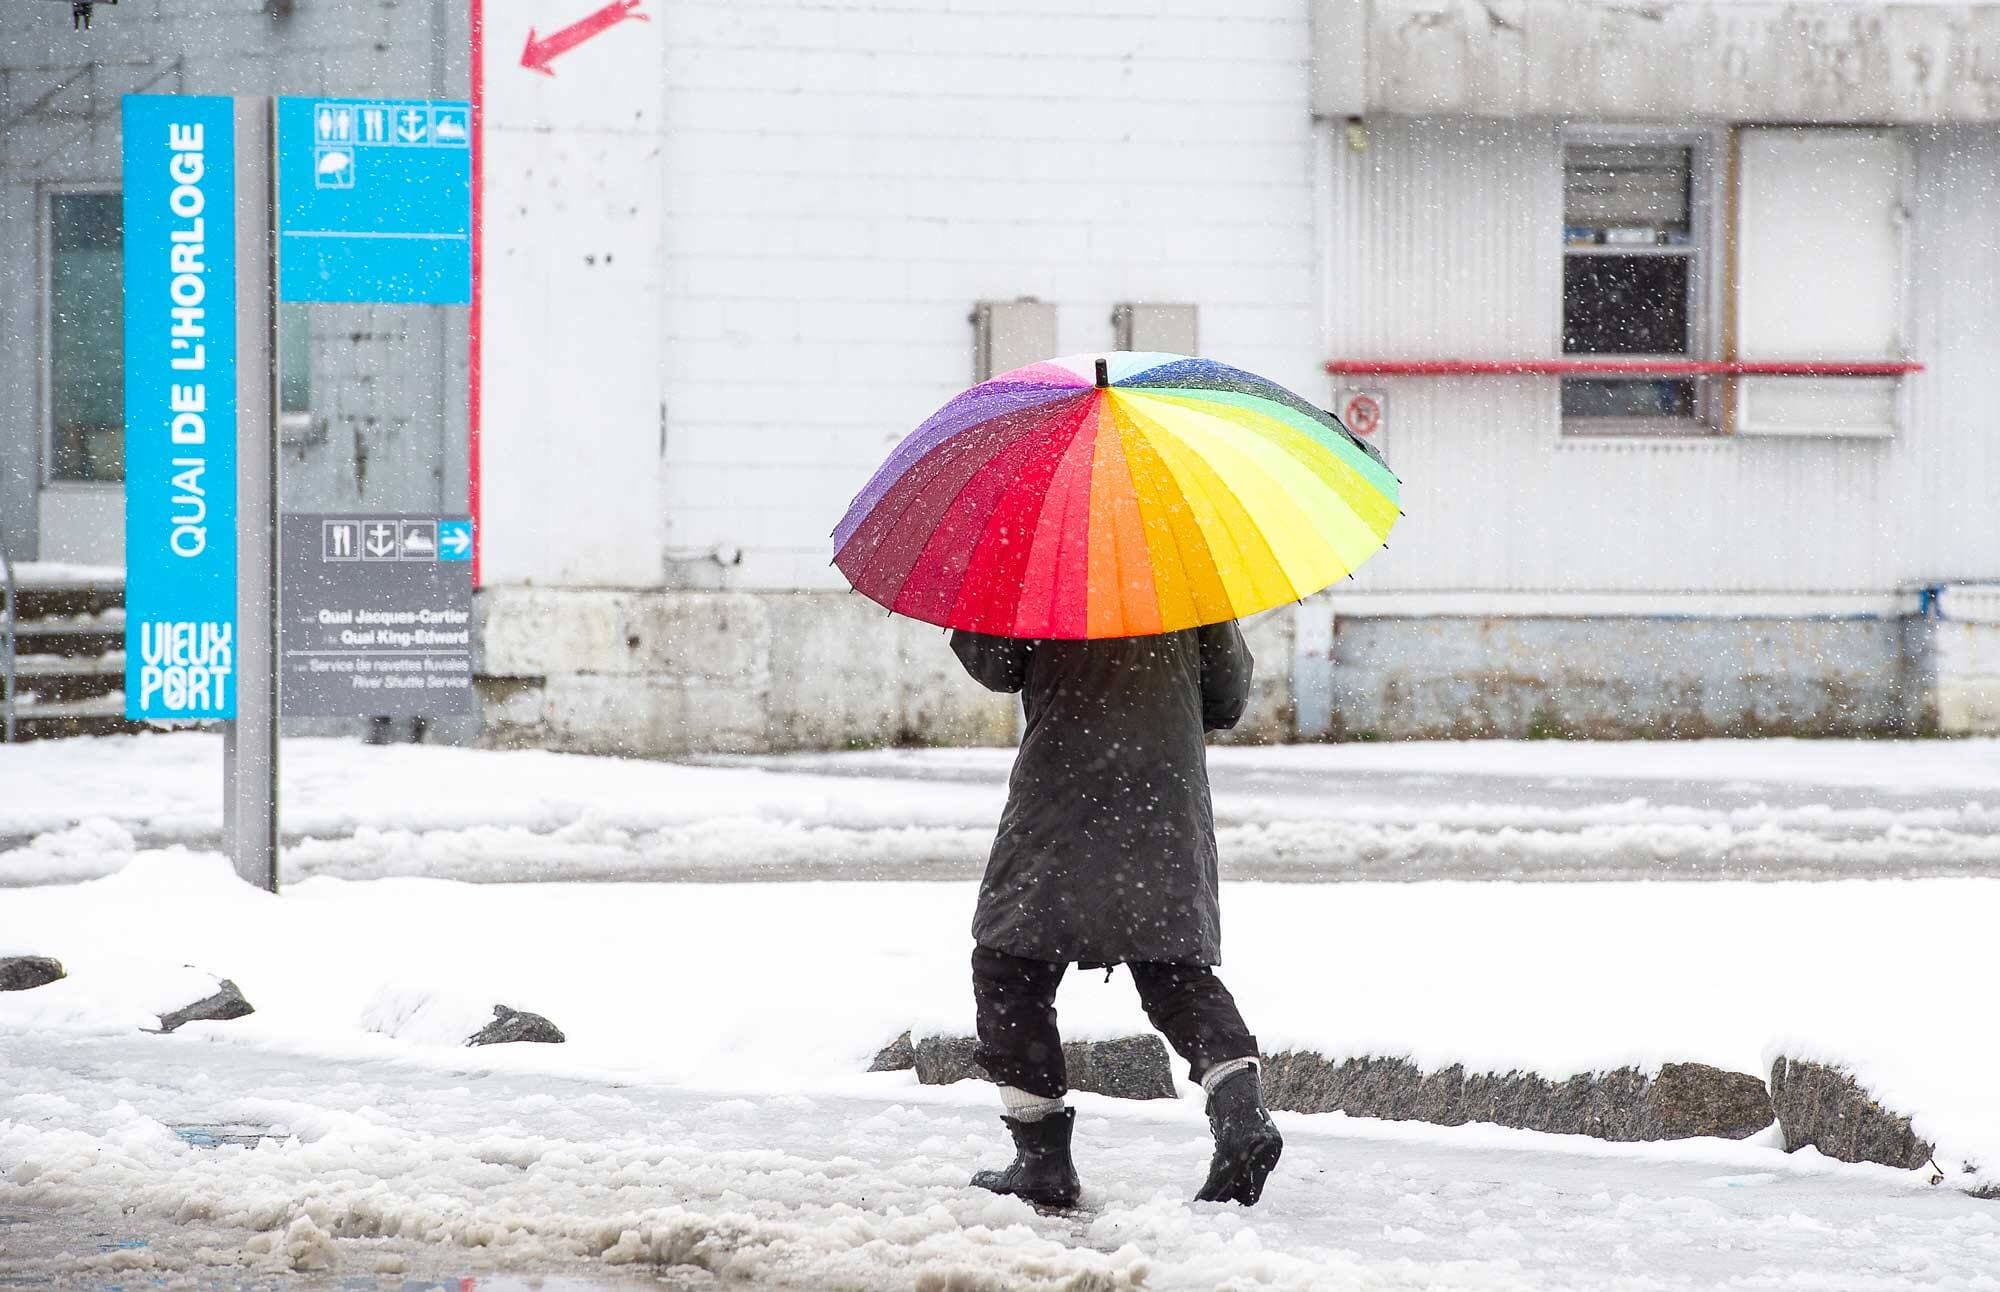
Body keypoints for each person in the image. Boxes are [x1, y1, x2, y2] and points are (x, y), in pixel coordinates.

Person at [948, 623, 1282, 1209]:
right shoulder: (1185, 565)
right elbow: (1227, 697)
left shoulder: (1043, 560)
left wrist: (988, 612)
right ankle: (1240, 1115)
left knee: (1009, 966)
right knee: (1173, 969)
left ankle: (1041, 1161)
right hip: (1164, 790)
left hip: (1062, 792)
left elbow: (995, 666)